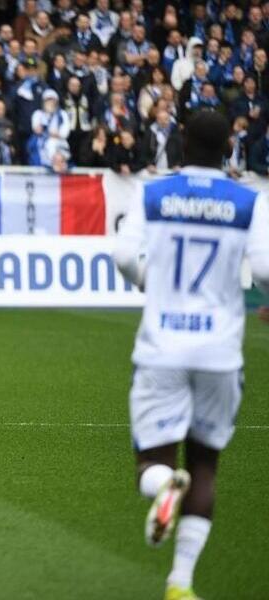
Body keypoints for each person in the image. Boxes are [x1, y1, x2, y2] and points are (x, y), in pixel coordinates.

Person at [112, 111, 269, 600]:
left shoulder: (153, 192)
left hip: (163, 346)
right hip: (220, 352)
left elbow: (122, 255)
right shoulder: (249, 200)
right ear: (230, 147)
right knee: (206, 467)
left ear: (181, 142)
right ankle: (180, 582)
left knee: (152, 465)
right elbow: (265, 269)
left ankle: (163, 485)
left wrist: (150, 282)